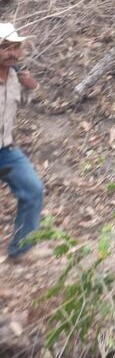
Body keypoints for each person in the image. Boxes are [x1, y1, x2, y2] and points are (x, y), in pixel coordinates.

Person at [0, 23, 46, 263]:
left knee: (32, 190)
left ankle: (20, 250)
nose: (12, 53)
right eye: (5, 47)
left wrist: (31, 88)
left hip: (5, 151)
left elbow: (22, 102)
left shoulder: (16, 75)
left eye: (16, 48)